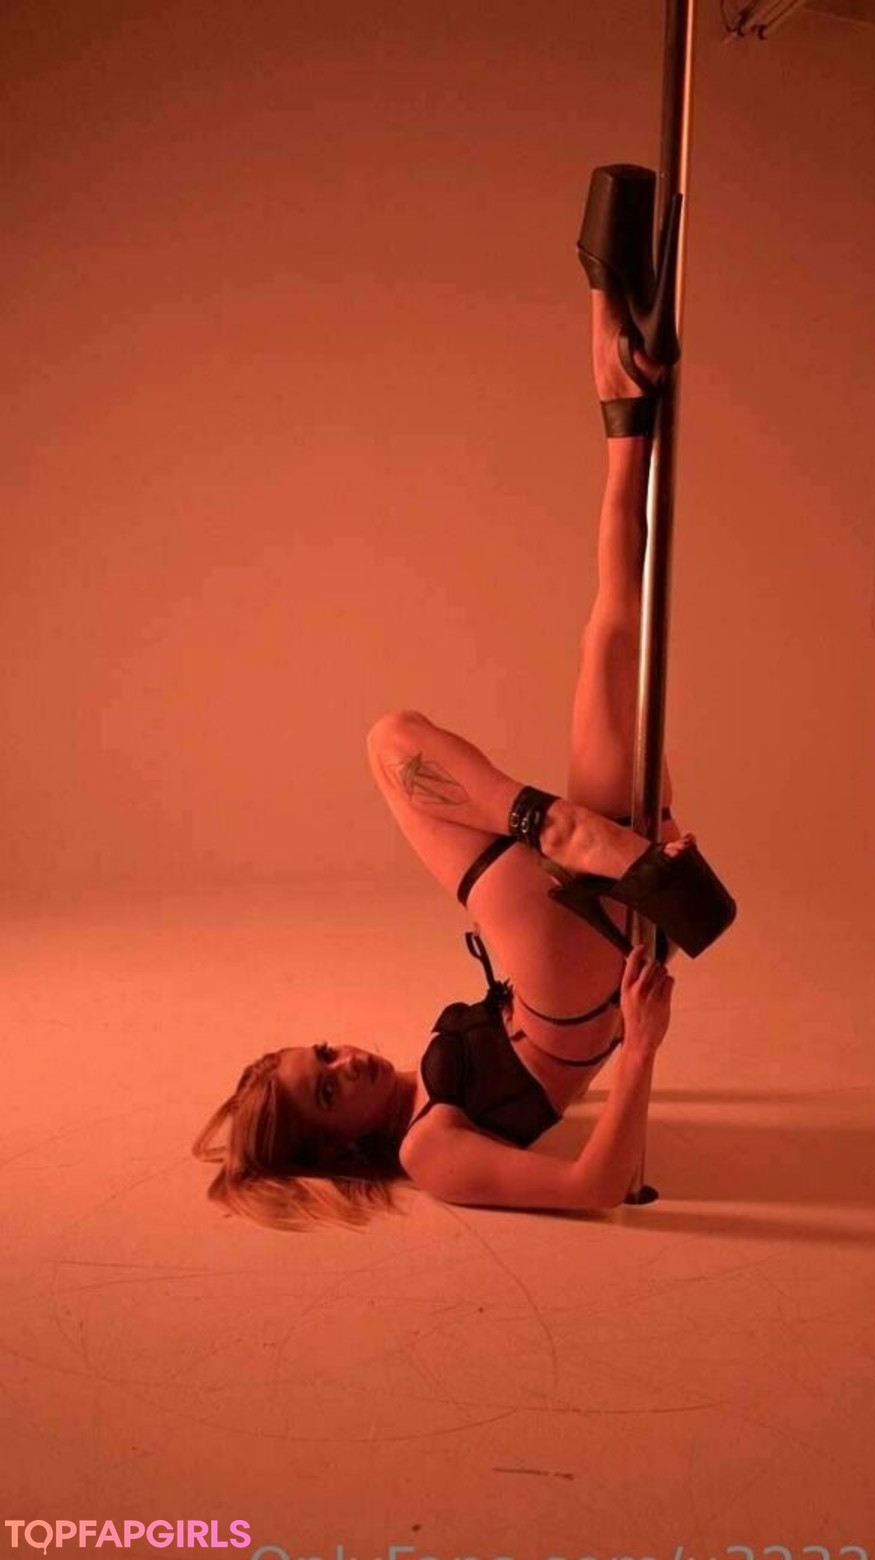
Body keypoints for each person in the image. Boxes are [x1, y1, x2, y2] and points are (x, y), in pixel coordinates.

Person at [193, 166, 736, 1229]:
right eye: (330, 1089)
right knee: (398, 736)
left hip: (584, 936)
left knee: (613, 634)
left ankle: (620, 383)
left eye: (322, 1053)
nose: (346, 1061)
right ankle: (554, 825)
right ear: (338, 1146)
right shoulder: (428, 1149)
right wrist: (640, 1050)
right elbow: (588, 1192)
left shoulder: (423, 1098)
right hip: (565, 973)